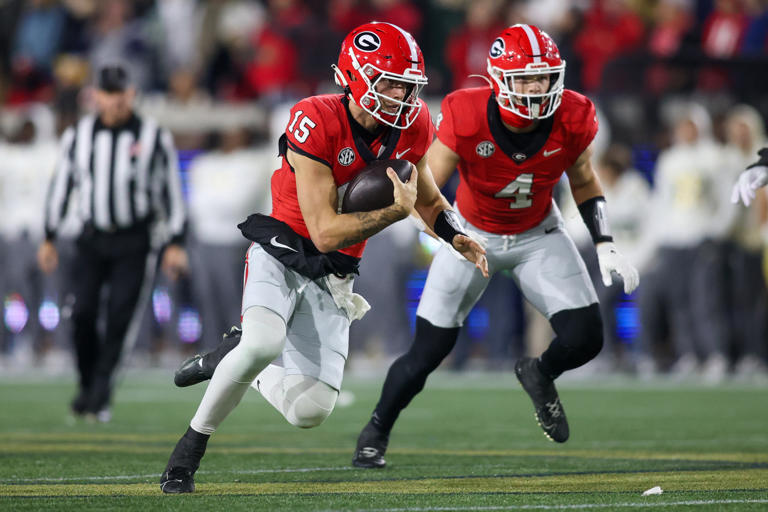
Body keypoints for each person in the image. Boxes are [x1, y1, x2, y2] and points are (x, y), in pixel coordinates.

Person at [159, 22, 488, 494]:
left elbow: (428, 199)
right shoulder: (314, 118)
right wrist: (393, 213)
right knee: (263, 345)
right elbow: (325, 230)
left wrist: (456, 234)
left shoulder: (413, 124)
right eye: (390, 82)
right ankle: (188, 452)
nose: (401, 94)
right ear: (355, 76)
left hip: (334, 273)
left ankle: (232, 359)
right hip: (286, 249)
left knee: (309, 412)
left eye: (407, 84)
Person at [350, 23, 640, 469]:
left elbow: (583, 179)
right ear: (500, 79)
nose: (536, 87)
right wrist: (430, 226)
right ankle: (376, 430)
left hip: (538, 233)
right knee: (427, 352)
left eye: (542, 76)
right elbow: (431, 182)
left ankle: (539, 373)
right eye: (524, 77)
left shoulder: (575, 114)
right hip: (469, 233)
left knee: (586, 338)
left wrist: (604, 241)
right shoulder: (466, 114)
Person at [37, 64, 188, 421]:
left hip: (134, 240)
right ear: (97, 96)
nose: (115, 102)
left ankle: (100, 393)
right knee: (81, 313)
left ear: (131, 94)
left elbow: (171, 192)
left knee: (121, 316)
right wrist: (49, 235)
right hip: (90, 238)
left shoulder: (153, 136)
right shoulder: (79, 135)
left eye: (121, 95)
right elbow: (62, 186)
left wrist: (175, 241)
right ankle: (89, 382)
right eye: (108, 95)